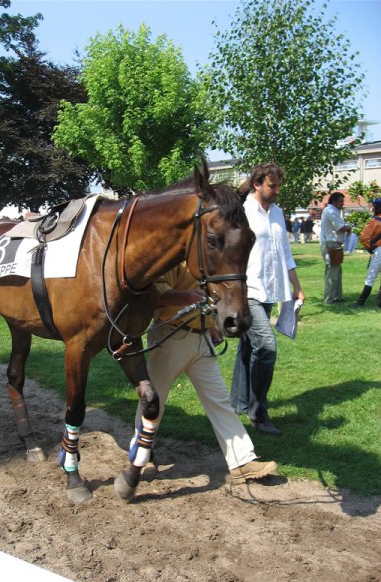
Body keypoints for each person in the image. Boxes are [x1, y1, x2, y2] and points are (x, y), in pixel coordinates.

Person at [131, 262, 278, 485]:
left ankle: (242, 461)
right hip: (171, 337)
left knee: (219, 400)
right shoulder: (174, 259)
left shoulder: (209, 261)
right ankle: (142, 454)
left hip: (201, 339)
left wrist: (210, 325)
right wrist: (185, 296)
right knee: (154, 400)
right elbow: (154, 295)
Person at [230, 163, 305, 435]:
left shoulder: (278, 213)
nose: (276, 190)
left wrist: (296, 287)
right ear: (257, 184)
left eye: (278, 185)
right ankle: (259, 413)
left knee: (249, 348)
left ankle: (237, 403)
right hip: (247, 290)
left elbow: (285, 253)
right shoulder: (242, 211)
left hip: (270, 288)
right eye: (272, 185)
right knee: (267, 346)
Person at [320, 192, 352, 304]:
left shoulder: (332, 211)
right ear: (334, 201)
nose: (342, 204)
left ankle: (337, 297)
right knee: (332, 272)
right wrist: (349, 227)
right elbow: (340, 227)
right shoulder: (331, 211)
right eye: (340, 201)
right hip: (331, 244)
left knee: (337, 272)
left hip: (334, 243)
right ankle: (330, 298)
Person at [354, 197, 381, 308]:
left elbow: (364, 238)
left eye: (372, 206)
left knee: (371, 277)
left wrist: (370, 249)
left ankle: (360, 302)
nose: (371, 207)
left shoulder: (374, 221)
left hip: (379, 251)